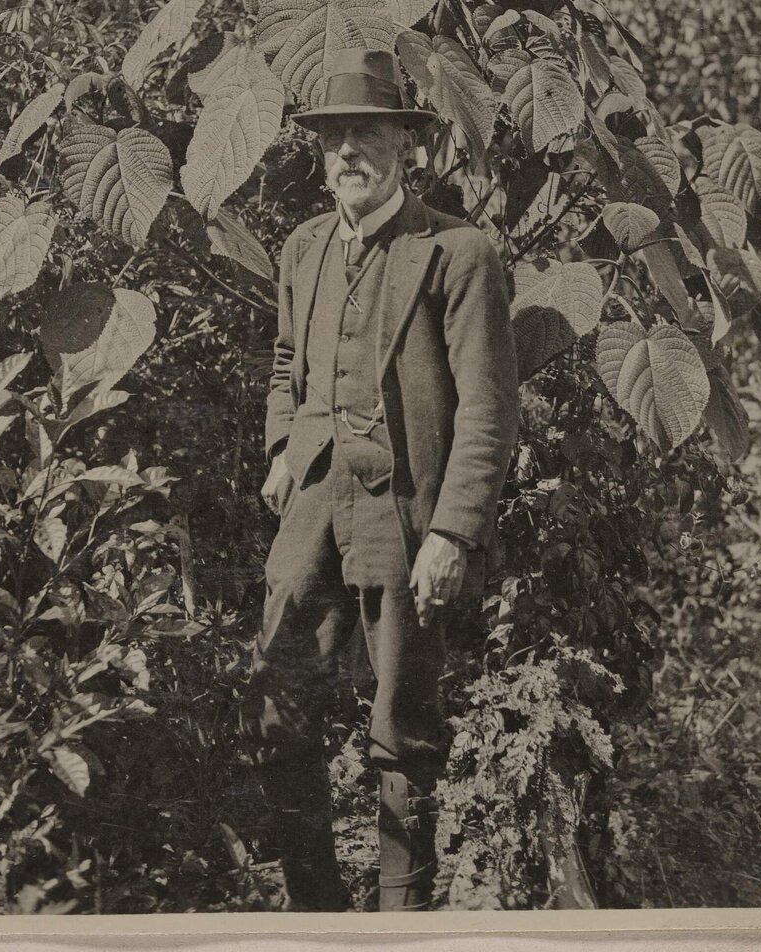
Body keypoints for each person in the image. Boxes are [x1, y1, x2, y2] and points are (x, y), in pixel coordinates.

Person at [239, 47, 519, 911]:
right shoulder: (304, 247)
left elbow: (489, 405)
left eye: (367, 133)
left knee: (402, 729)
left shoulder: (457, 252)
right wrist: (284, 446)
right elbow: (288, 359)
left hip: (404, 516)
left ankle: (402, 925)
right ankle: (315, 916)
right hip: (314, 507)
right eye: (333, 138)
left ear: (409, 146)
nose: (348, 152)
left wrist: (452, 531)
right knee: (279, 707)